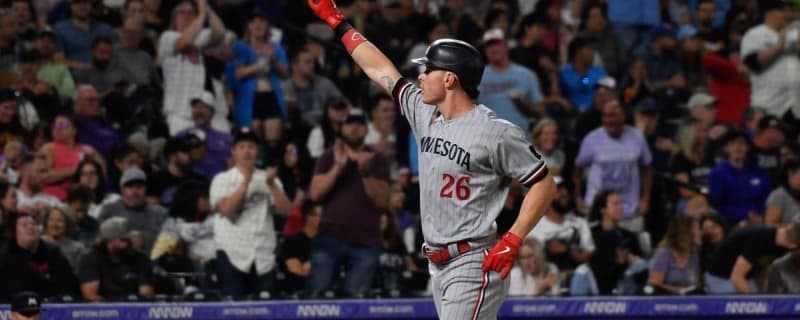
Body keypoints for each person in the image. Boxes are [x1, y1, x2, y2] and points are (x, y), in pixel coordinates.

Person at [307, 0, 556, 317]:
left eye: (428, 69)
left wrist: (514, 237)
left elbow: (543, 184)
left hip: (473, 259)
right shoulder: (424, 113)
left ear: (450, 79)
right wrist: (338, 22)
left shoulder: (496, 132)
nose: (421, 75)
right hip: (438, 263)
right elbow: (380, 70)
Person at [307, 108, 391, 298]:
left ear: (366, 129)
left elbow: (383, 200)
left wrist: (365, 172)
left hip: (366, 241)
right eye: (350, 123)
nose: (354, 128)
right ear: (342, 128)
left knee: (357, 304)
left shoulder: (376, 159)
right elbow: (314, 194)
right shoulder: (329, 157)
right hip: (329, 239)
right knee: (317, 299)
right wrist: (338, 167)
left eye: (359, 124)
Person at [210, 127, 292, 299]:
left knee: (266, 310)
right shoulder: (222, 180)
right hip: (232, 253)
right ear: (233, 151)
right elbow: (226, 210)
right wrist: (246, 182)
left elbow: (287, 211)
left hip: (263, 257)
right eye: (241, 147)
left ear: (257, 151)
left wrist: (272, 186)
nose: (247, 151)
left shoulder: (270, 179)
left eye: (251, 146)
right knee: (234, 311)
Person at [574, 101, 653, 231]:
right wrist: (577, 198)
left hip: (630, 210)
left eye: (614, 115)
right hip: (599, 211)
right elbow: (577, 169)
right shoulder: (592, 139)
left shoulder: (637, 137)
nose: (610, 120)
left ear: (623, 116)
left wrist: (646, 198)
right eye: (606, 116)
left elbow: (646, 167)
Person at [158, 0, 226, 134]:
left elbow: (220, 33)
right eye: (181, 12)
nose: (186, 16)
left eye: (190, 13)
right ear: (174, 18)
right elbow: (182, 43)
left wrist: (205, 8)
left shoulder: (201, 37)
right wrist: (201, 14)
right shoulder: (167, 37)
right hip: (178, 111)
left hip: (203, 109)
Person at [226, 11, 289, 131]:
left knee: (273, 135)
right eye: (253, 22)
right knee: (254, 134)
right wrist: (258, 66)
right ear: (248, 26)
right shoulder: (240, 47)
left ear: (267, 26)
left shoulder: (275, 47)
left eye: (261, 21)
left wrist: (274, 59)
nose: (257, 25)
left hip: (271, 96)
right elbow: (237, 74)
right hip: (249, 99)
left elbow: (285, 73)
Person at [477, 28, 544, 134]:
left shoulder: (526, 75)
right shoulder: (477, 77)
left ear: (506, 46)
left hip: (519, 140)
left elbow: (540, 112)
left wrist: (523, 103)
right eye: (489, 45)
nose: (493, 49)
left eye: (497, 44)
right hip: (488, 142)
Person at [740, 0, 799, 119]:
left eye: (788, 11)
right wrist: (778, 46)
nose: (787, 14)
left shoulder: (795, 32)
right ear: (768, 13)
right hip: (770, 104)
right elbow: (751, 63)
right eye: (782, 11)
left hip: (796, 105)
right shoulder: (755, 34)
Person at [0, 213, 80, 301]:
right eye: (24, 225)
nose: (30, 227)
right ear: (14, 232)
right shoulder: (5, 257)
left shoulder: (53, 253)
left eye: (33, 224)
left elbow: (69, 286)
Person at [706, 222, 800, 294]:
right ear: (794, 246)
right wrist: (756, 301)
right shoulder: (759, 241)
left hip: (746, 276)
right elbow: (736, 277)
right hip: (720, 277)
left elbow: (764, 267)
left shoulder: (783, 244)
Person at [78, 216, 155, 301]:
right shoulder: (90, 259)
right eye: (124, 240)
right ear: (109, 241)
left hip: (133, 308)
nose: (129, 243)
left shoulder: (141, 259)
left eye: (130, 239)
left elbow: (146, 294)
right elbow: (90, 296)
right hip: (104, 310)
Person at [708, 130, 772, 226]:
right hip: (729, 222)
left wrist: (760, 215)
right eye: (733, 144)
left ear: (748, 148)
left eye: (742, 144)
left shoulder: (759, 172)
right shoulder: (717, 173)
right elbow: (717, 205)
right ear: (726, 148)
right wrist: (745, 215)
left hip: (760, 220)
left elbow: (767, 199)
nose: (738, 148)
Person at [97, 167, 168, 253]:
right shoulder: (109, 210)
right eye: (130, 186)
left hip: (151, 262)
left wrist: (144, 241)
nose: (135, 191)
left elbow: (170, 243)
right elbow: (98, 240)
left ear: (146, 189)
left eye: (139, 187)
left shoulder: (160, 213)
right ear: (122, 190)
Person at [589, 190, 645, 295]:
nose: (620, 207)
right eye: (615, 204)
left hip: (625, 279)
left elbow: (638, 262)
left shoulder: (630, 237)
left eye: (621, 204)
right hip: (597, 280)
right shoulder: (590, 233)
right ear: (602, 209)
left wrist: (628, 260)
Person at [40, 114, 106, 201]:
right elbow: (44, 176)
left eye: (62, 125)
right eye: (55, 125)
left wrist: (94, 156)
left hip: (81, 199)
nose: (57, 128)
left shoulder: (86, 149)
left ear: (74, 130)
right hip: (54, 199)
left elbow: (103, 172)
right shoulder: (49, 148)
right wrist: (77, 169)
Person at [175, 91, 232, 181]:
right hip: (190, 184)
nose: (199, 111)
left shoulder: (226, 138)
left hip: (220, 184)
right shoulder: (181, 136)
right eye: (195, 107)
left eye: (204, 107)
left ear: (212, 111)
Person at [647, 216, 702, 295]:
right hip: (665, 301)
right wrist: (680, 291)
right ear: (687, 232)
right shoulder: (665, 253)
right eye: (697, 229)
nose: (701, 232)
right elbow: (654, 284)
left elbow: (696, 284)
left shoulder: (694, 254)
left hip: (688, 301)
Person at [277, 200, 321, 296]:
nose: (322, 219)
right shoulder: (293, 241)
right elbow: (296, 270)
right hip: (296, 290)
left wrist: (311, 265)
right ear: (308, 216)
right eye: (319, 215)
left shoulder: (326, 243)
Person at [52, 0, 115, 66]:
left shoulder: (105, 28)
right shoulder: (60, 29)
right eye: (77, 2)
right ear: (70, 6)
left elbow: (115, 55)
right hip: (73, 74)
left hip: (105, 72)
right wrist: (88, 67)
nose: (82, 6)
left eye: (85, 2)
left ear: (91, 5)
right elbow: (58, 60)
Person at [147, 136, 205, 204]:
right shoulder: (155, 179)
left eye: (189, 151)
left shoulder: (198, 179)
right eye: (184, 152)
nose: (189, 155)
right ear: (172, 156)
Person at [41, 206, 87, 270]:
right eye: (51, 220)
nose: (55, 225)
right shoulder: (36, 244)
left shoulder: (77, 248)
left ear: (68, 224)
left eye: (60, 221)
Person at [766, 160, 800, 226]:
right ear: (790, 174)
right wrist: (793, 227)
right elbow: (770, 224)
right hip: (788, 235)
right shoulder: (779, 195)